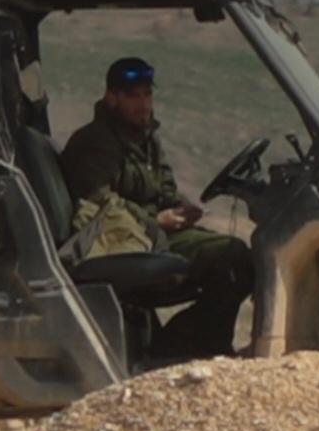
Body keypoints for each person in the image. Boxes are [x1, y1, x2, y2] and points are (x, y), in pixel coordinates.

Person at [61, 56, 252, 359]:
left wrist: (180, 208)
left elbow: (163, 189)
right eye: (133, 96)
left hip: (153, 233)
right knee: (232, 259)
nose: (143, 103)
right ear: (112, 98)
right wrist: (156, 220)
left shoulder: (147, 138)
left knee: (236, 258)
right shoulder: (93, 142)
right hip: (119, 240)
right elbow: (100, 201)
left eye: (147, 94)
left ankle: (193, 347)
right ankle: (176, 351)